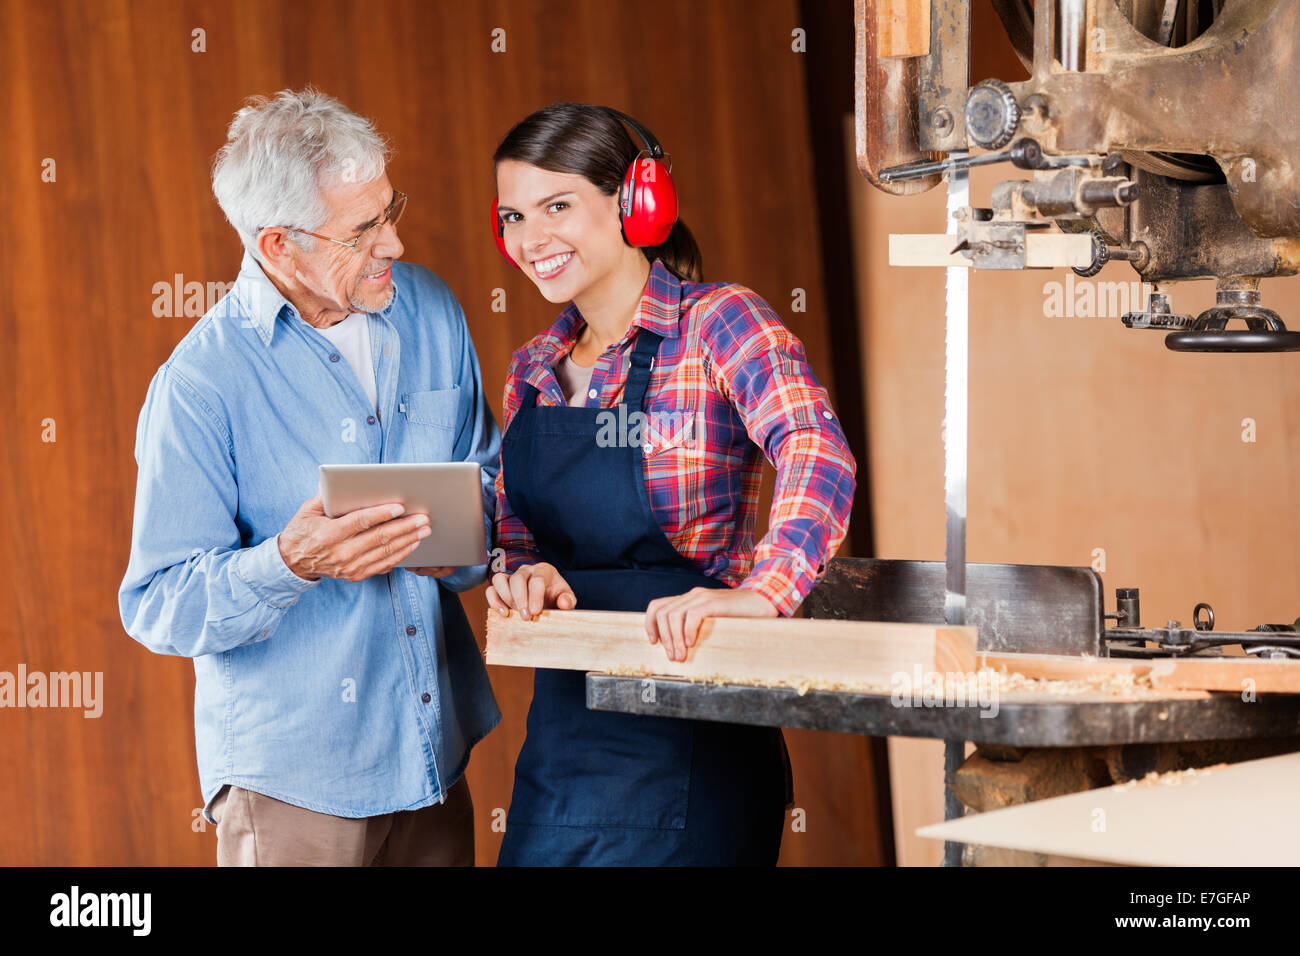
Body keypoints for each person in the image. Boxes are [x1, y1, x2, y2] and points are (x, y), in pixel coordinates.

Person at [118, 88, 501, 866]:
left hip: (432, 753)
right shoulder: (200, 384)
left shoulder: (430, 309)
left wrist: (459, 542)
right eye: (363, 230)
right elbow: (158, 602)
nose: (394, 242)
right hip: (293, 783)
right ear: (280, 246)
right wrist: (291, 563)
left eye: (389, 210)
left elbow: (491, 483)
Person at [487, 102, 857, 865]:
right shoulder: (530, 371)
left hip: (695, 732)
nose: (533, 238)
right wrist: (523, 578)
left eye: (558, 206)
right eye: (515, 216)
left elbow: (815, 448)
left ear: (635, 201)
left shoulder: (720, 323)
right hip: (565, 746)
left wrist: (766, 590)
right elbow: (518, 536)